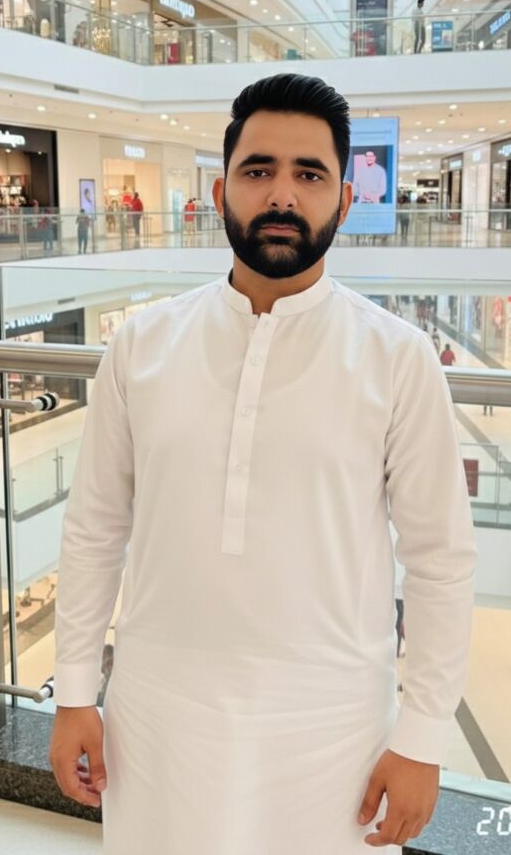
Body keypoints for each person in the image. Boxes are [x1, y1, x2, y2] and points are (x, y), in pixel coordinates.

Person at [50, 73, 476, 855]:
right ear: (220, 192)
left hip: (333, 733)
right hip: (157, 718)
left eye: (310, 174)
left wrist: (422, 736)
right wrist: (75, 690)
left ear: (345, 200)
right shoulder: (142, 345)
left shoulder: (397, 358)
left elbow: (440, 561)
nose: (282, 194)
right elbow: (94, 528)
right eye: (258, 170)